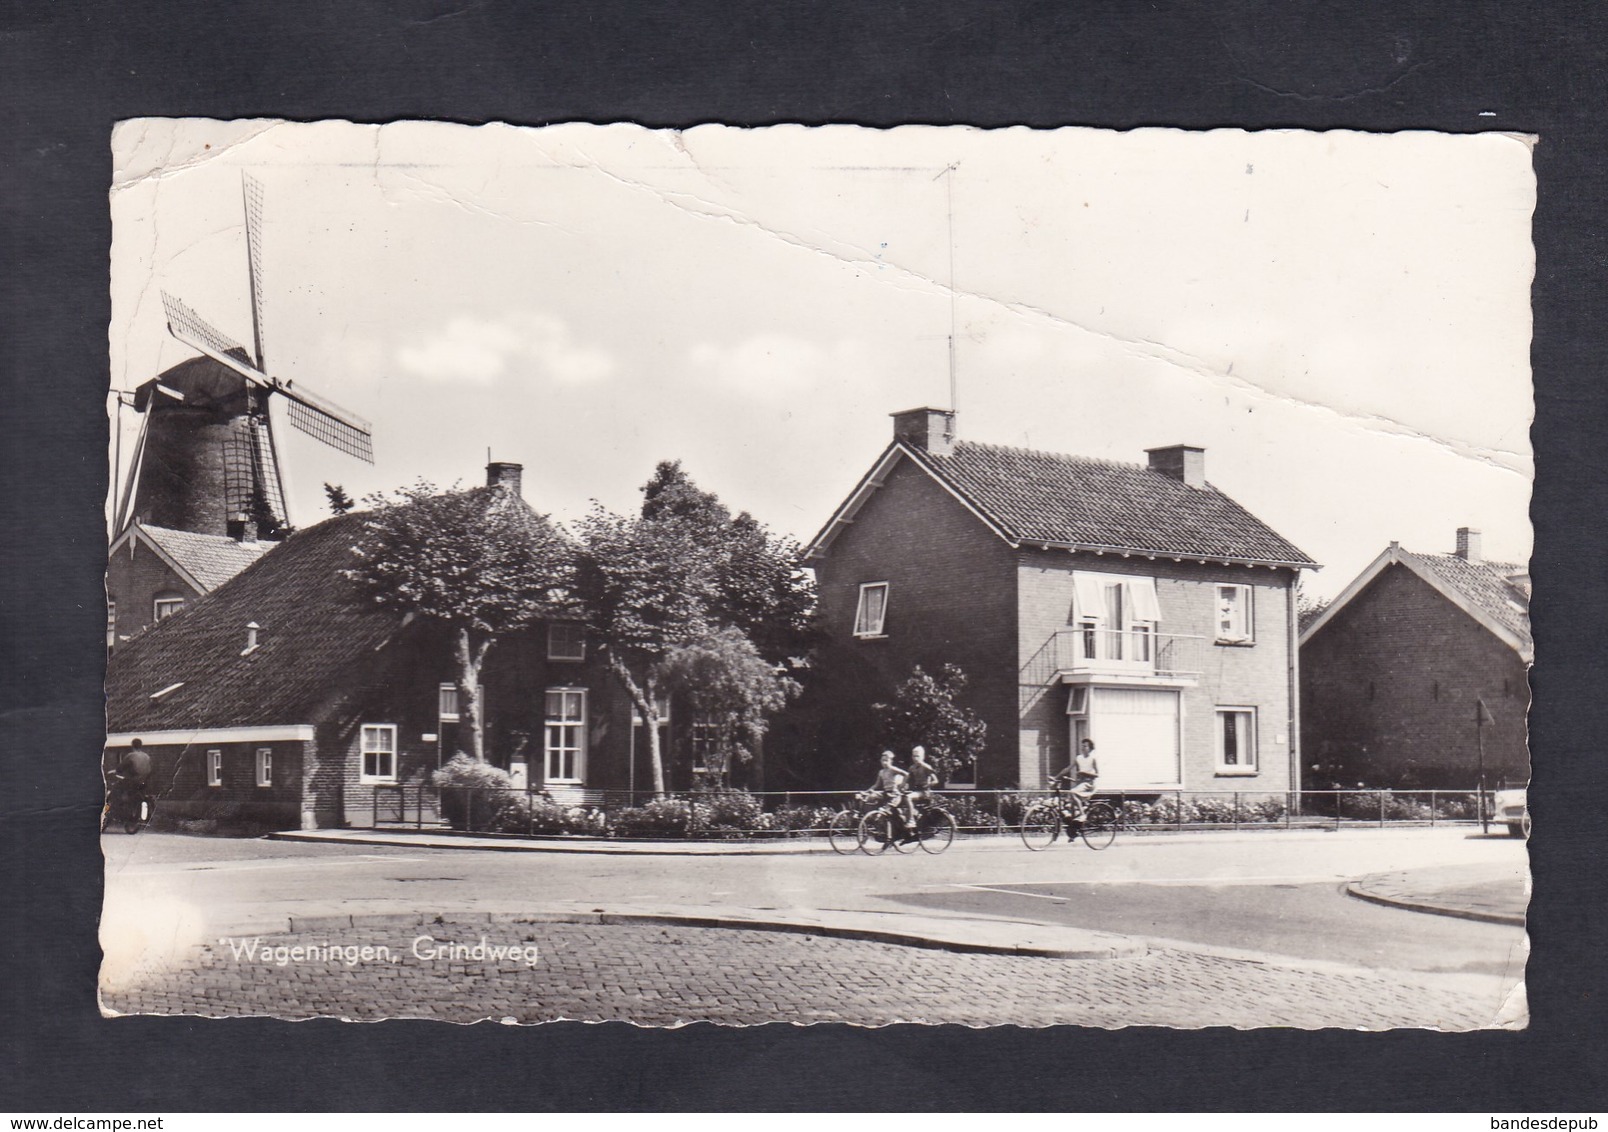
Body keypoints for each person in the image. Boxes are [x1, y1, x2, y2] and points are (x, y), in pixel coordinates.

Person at [1056, 737, 1100, 820]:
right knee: (1069, 799)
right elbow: (1068, 768)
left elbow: (1097, 775)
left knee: (1072, 792)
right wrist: (1056, 777)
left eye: (1085, 746)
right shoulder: (1078, 758)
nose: (1083, 748)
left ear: (1090, 749)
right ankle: (1073, 822)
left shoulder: (1093, 759)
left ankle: (1082, 815)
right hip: (1080, 783)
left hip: (1088, 784)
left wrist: (1084, 773)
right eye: (1082, 746)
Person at [903, 745, 937, 832]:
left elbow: (936, 780)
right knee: (902, 800)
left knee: (908, 797)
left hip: (924, 792)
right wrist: (902, 787)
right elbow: (906, 779)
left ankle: (911, 821)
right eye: (913, 756)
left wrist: (928, 785)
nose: (915, 758)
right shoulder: (912, 768)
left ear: (922, 756)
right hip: (916, 791)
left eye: (917, 756)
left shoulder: (926, 767)